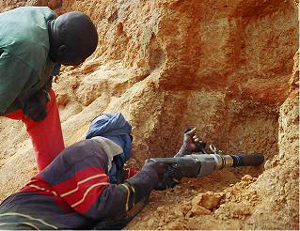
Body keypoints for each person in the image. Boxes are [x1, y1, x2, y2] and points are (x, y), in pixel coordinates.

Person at [0, 112, 197, 230]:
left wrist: (183, 153)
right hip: (21, 221)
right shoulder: (88, 151)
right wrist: (149, 171)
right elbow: (102, 203)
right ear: (124, 139)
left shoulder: (111, 171)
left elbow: (156, 180)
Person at [0, 7, 98, 171]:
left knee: (44, 103)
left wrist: (41, 94)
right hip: (15, 59)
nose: (78, 64)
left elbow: (47, 68)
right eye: (78, 59)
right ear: (62, 50)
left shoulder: (49, 19)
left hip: (12, 60)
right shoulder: (29, 53)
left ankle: (54, 175)